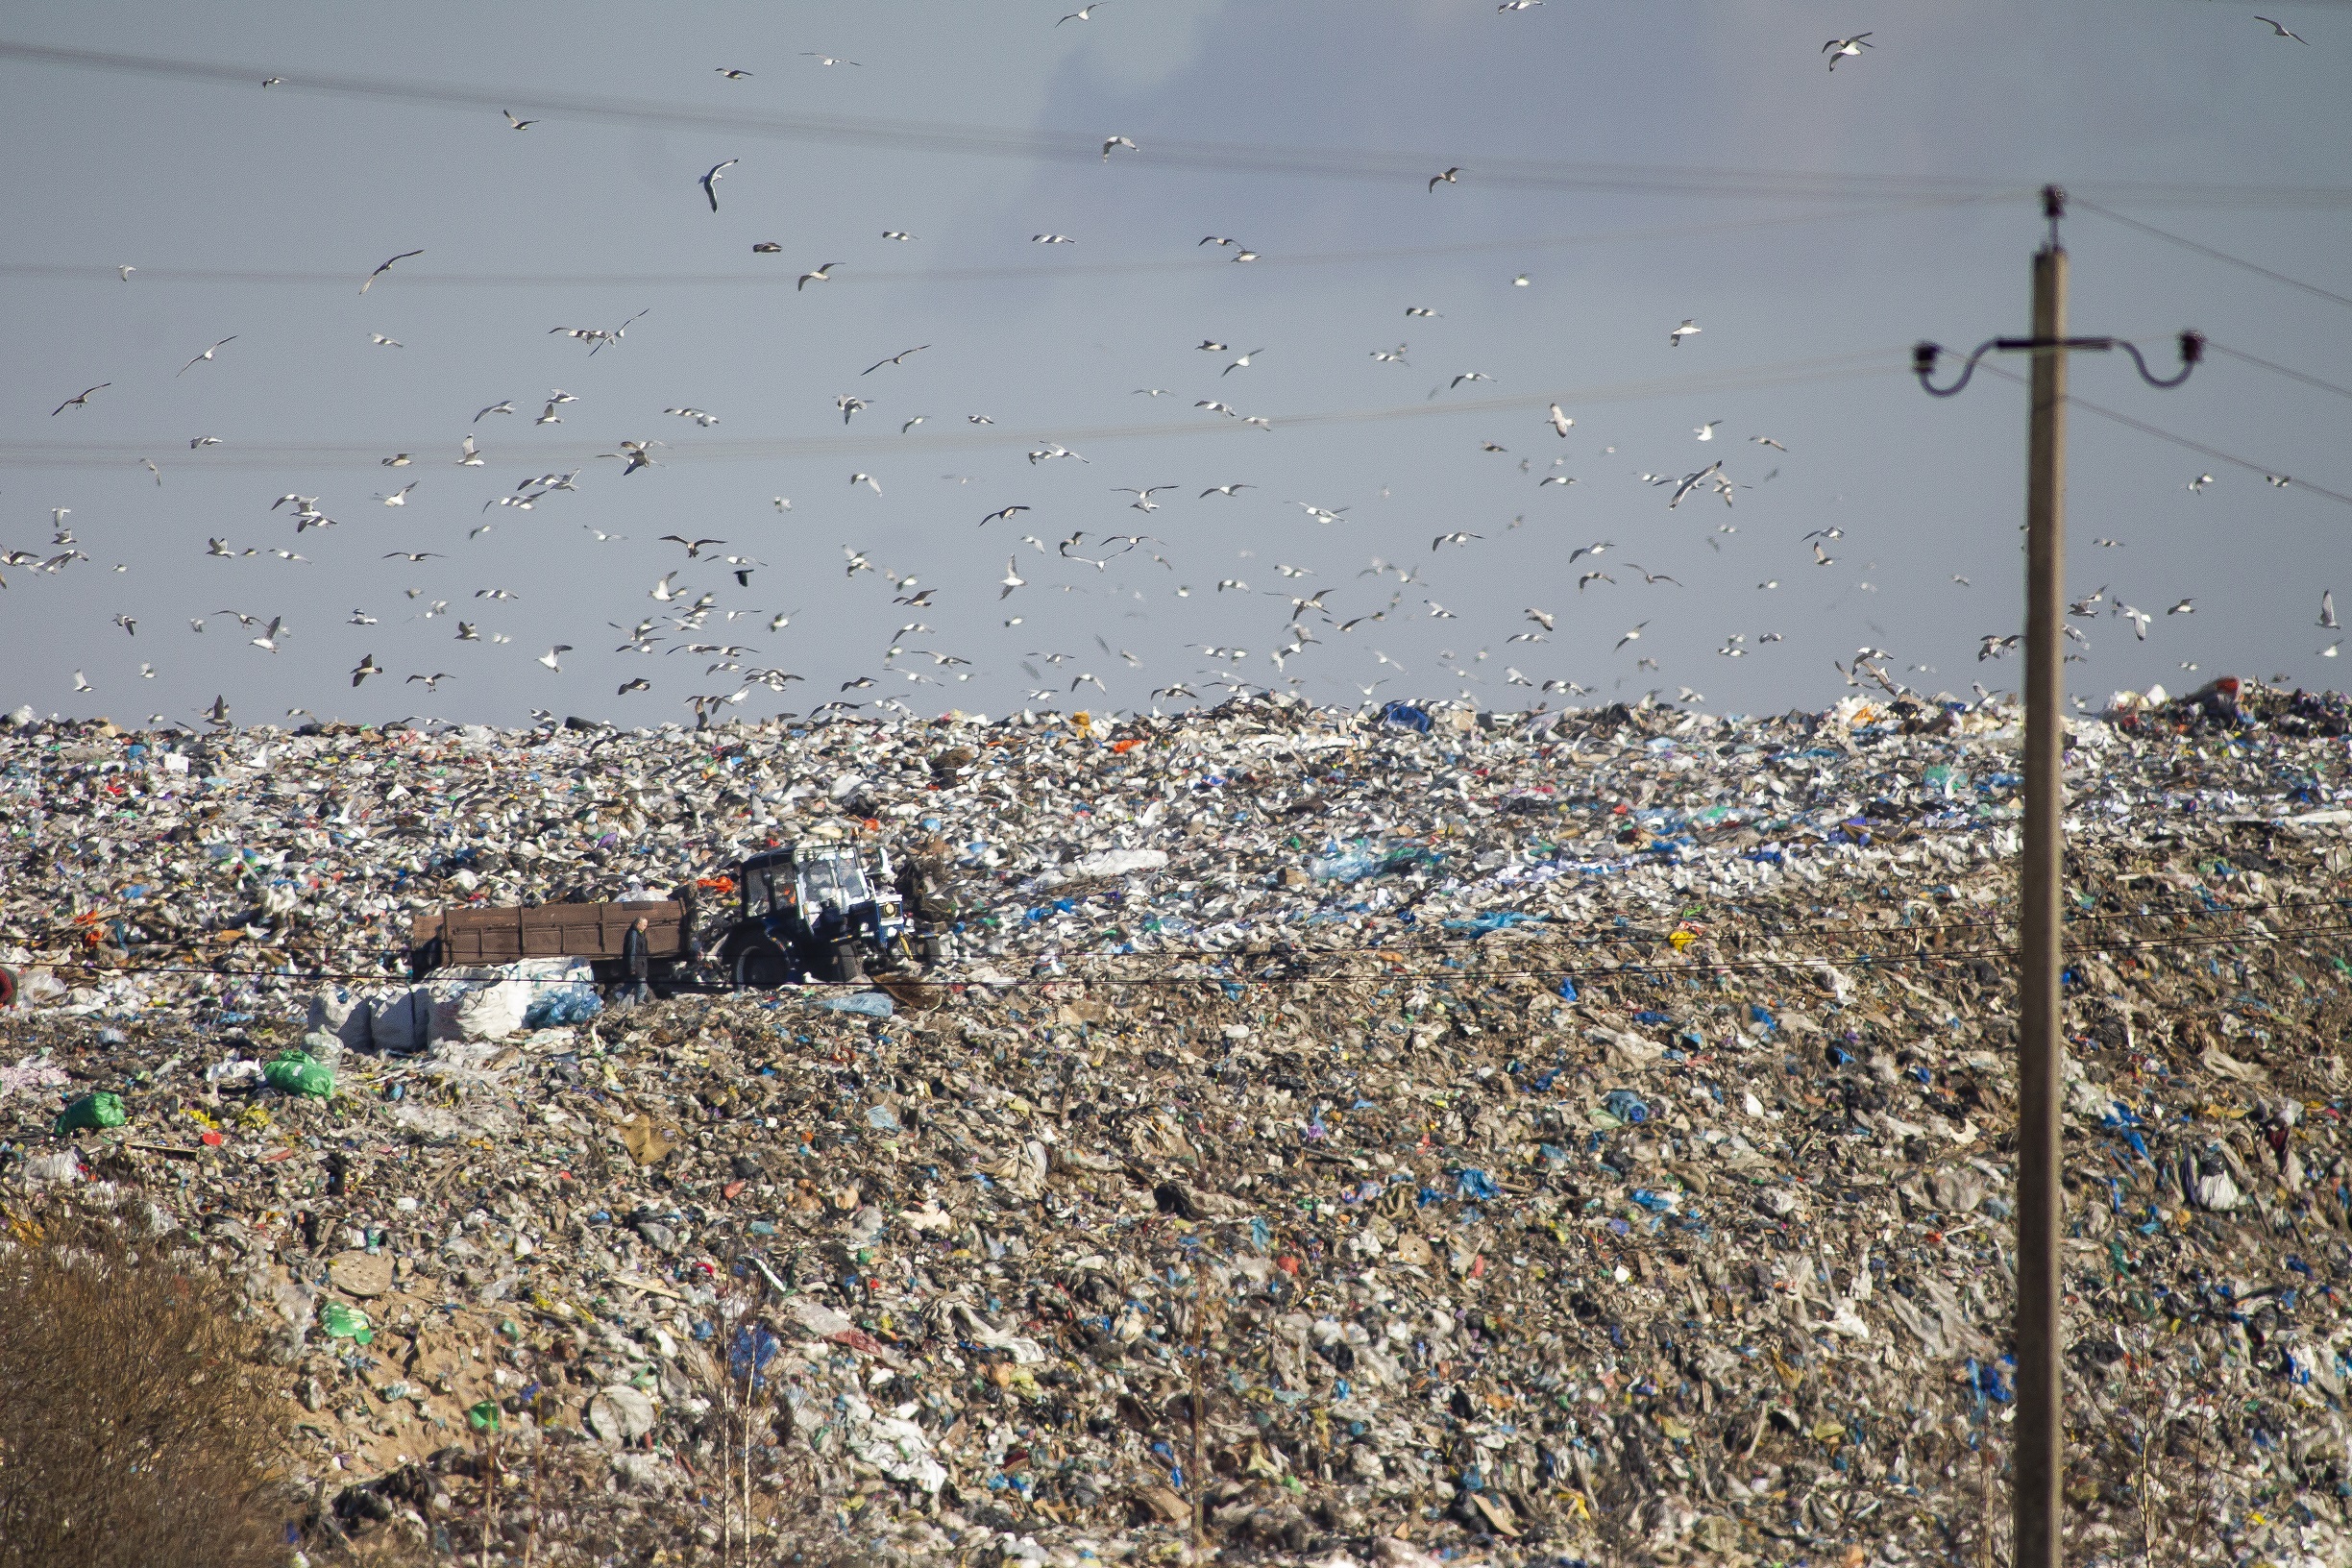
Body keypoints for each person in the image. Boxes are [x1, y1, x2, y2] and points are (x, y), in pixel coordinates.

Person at [619, 915, 652, 1008]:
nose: (646, 927)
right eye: (644, 925)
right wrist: (632, 966)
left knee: (630, 985)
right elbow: (632, 951)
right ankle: (639, 1004)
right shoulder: (633, 934)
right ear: (638, 924)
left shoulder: (639, 933)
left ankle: (615, 998)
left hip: (640, 964)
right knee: (642, 987)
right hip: (637, 965)